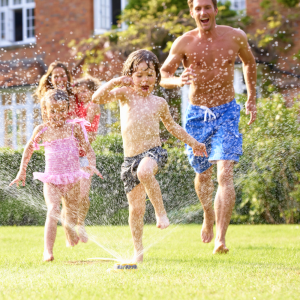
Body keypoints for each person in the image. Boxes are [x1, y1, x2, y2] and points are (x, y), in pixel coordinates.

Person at [160, 0, 257, 254]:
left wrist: (252, 97)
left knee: (224, 173)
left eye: (207, 7)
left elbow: (249, 63)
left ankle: (221, 240)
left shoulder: (235, 37)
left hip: (226, 111)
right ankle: (207, 214)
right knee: (203, 174)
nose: (203, 12)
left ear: (215, 10)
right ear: (192, 12)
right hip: (196, 116)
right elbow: (164, 75)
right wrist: (178, 80)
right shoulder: (184, 42)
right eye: (198, 8)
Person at [92, 49, 207, 262]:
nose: (145, 79)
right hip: (129, 161)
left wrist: (193, 143)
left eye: (150, 74)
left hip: (153, 152)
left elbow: (172, 127)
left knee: (145, 171)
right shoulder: (125, 94)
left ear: (157, 76)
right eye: (139, 75)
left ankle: (161, 213)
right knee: (136, 210)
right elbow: (96, 98)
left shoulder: (159, 103)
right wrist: (116, 81)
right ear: (130, 77)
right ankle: (138, 251)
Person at [10, 89, 101, 262]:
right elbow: (28, 149)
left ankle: (70, 232)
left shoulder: (74, 128)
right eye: (53, 111)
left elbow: (88, 149)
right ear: (45, 110)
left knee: (71, 216)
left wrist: (91, 165)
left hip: (73, 179)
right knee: (53, 210)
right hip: (52, 179)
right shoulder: (42, 129)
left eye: (61, 110)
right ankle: (48, 251)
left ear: (68, 110)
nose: (57, 115)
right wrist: (22, 170)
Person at [73, 76, 101, 241]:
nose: (81, 94)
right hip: (70, 155)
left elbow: (85, 124)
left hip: (84, 156)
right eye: (79, 91)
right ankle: (71, 225)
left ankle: (80, 223)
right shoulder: (75, 105)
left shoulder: (93, 105)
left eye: (85, 91)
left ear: (92, 91)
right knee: (71, 195)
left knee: (84, 194)